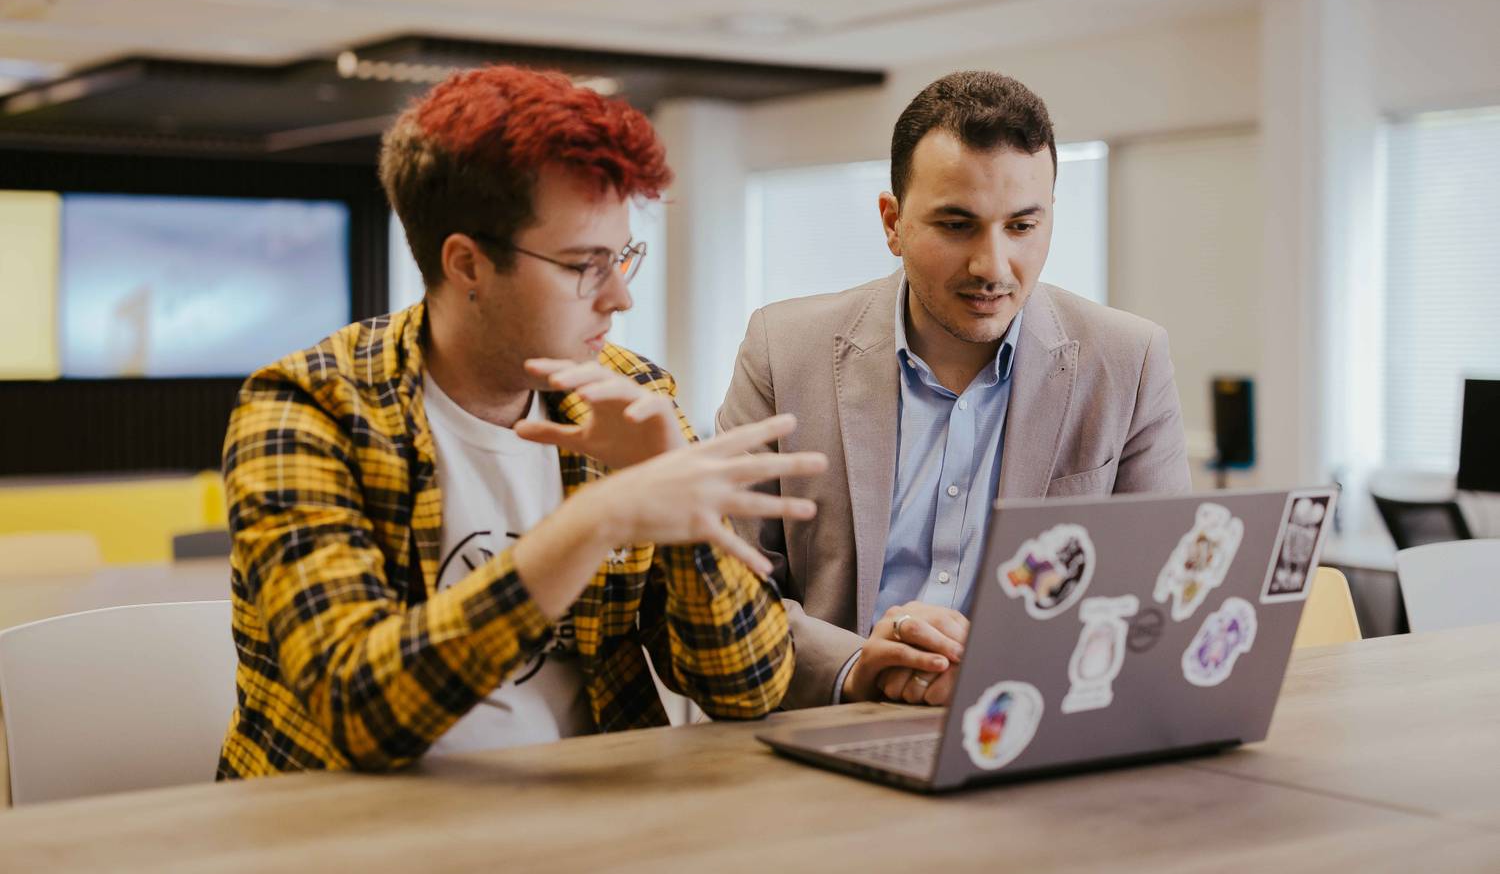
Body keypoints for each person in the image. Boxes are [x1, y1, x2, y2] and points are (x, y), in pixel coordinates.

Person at [218, 65, 824, 778]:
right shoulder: (308, 411)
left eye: (623, 257)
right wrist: (595, 520)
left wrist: (686, 525)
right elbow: (360, 711)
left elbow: (748, 689)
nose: (621, 298)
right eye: (584, 265)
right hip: (352, 833)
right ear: (468, 264)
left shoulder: (630, 394)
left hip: (593, 816)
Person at [716, 70, 1190, 711]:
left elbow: (1156, 601)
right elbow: (730, 591)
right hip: (826, 726)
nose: (992, 267)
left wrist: (1007, 664)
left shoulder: (1127, 360)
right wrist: (856, 664)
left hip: (1034, 725)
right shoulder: (783, 349)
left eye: (1022, 227)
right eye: (957, 225)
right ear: (892, 222)